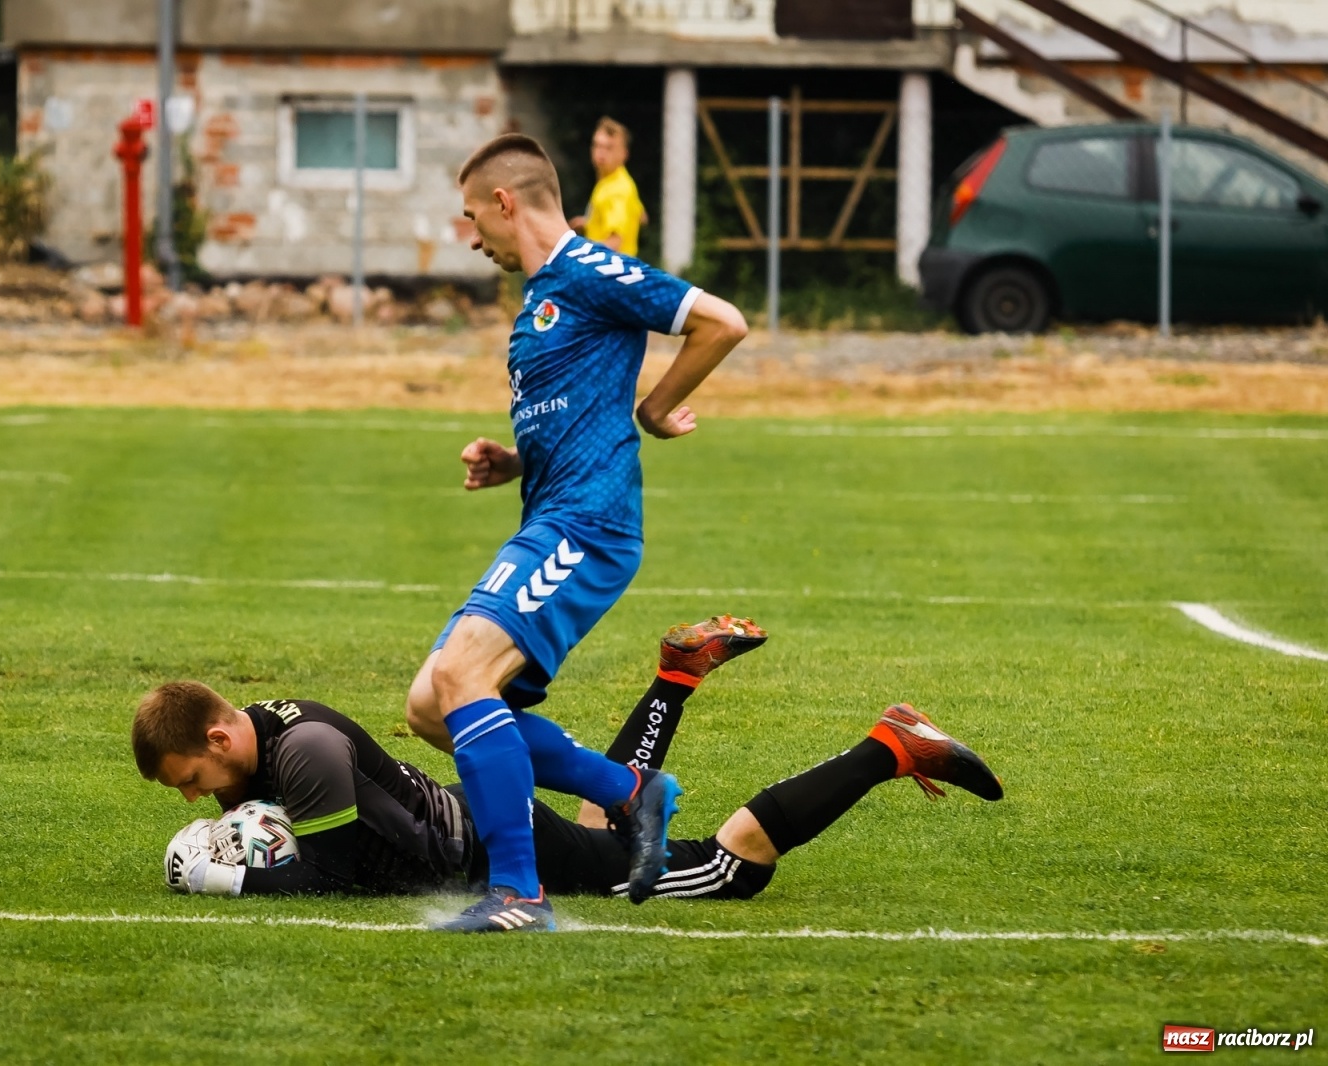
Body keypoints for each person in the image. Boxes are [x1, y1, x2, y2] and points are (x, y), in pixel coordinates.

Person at [400, 132, 748, 931]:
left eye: (470, 218)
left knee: (460, 680)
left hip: (589, 525)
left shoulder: (590, 269)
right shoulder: (544, 299)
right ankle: (632, 790)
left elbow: (722, 322)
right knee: (429, 705)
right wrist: (515, 461)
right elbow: (576, 410)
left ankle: (519, 896)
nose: (473, 238)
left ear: (505, 201)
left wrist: (655, 410)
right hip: (551, 514)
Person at [138, 617, 1006, 914]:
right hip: (489, 824)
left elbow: (331, 877)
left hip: (488, 849)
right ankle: (673, 677)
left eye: (190, 781)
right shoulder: (275, 731)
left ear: (220, 741)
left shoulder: (308, 754)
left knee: (724, 869)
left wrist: (223, 879)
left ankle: (888, 748)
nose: (197, 798)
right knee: (608, 826)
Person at [568, 116, 647, 256]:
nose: (601, 153)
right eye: (597, 145)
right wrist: (590, 222)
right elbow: (642, 217)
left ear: (624, 154)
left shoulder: (617, 190)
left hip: (613, 272)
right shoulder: (615, 180)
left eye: (609, 148)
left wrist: (578, 253)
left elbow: (614, 243)